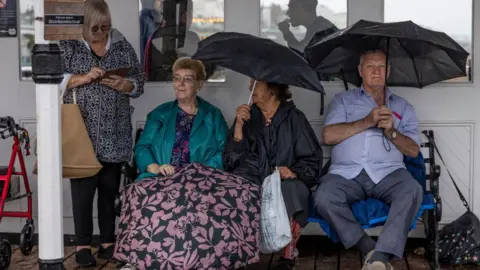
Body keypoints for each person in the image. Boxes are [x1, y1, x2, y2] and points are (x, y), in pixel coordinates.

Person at [314, 49, 423, 270]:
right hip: (346, 173)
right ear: (360, 71)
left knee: (412, 191)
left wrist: (391, 132)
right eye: (370, 66)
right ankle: (369, 249)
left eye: (381, 66)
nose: (376, 71)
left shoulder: (402, 107)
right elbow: (328, 136)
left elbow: (412, 151)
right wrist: (366, 122)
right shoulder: (343, 101)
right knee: (323, 197)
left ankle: (380, 257)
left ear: (388, 71)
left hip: (389, 172)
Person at [59, 0, 145, 267]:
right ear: (85, 25)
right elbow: (52, 81)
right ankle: (83, 245)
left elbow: (139, 83)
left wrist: (125, 84)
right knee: (83, 194)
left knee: (109, 191)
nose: (102, 31)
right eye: (96, 27)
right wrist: (83, 77)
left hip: (115, 131)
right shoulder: (69, 45)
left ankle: (108, 242)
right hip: (82, 135)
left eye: (106, 26)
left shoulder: (122, 45)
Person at [223, 79, 323, 270]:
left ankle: (288, 254)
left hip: (284, 179)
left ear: (273, 90)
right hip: (253, 175)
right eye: (250, 82)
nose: (249, 87)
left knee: (292, 189)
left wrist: (293, 171)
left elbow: (311, 160)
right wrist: (238, 126)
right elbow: (231, 160)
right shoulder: (247, 117)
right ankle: (240, 252)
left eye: (256, 84)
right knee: (237, 188)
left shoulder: (295, 118)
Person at [134, 57, 228, 180]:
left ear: (199, 84)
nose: (180, 83)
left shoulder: (213, 115)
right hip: (160, 179)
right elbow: (142, 147)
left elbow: (224, 150)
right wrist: (156, 168)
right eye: (177, 78)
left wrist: (200, 172)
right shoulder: (159, 113)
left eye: (187, 79)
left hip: (201, 180)